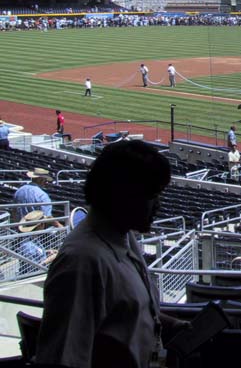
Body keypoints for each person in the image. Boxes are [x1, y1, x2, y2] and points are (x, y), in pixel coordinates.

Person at [35, 140, 187, 368]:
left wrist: (168, 324)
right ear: (124, 195)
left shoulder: (124, 236)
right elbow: (64, 358)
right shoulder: (82, 262)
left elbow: (120, 313)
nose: (158, 205)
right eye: (151, 195)